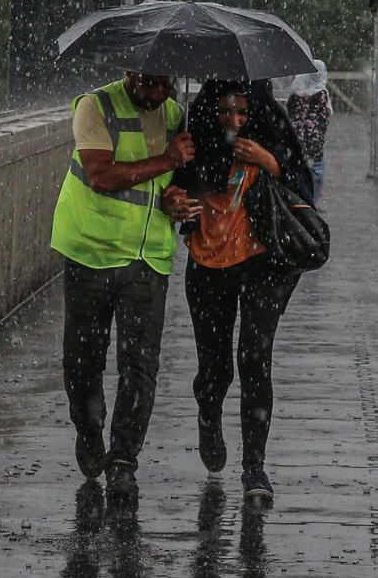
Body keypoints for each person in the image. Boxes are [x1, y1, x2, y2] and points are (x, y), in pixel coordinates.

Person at [50, 71, 201, 501]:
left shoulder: (175, 115)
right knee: (82, 361)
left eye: (165, 85)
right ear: (131, 73)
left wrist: (176, 197)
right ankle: (88, 427)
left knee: (140, 366)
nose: (157, 94)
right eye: (149, 84)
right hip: (90, 251)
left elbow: (175, 185)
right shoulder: (94, 107)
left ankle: (123, 459)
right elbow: (100, 175)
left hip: (147, 257)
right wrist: (168, 161)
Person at [172, 79, 314, 500]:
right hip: (209, 267)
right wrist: (178, 200)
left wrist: (270, 161)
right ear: (210, 112)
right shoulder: (196, 144)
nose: (234, 121)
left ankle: (255, 467)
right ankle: (209, 411)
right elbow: (174, 188)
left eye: (242, 113)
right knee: (216, 366)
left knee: (255, 359)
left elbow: (304, 190)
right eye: (225, 112)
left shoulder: (273, 138)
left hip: (263, 266)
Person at [286, 60, 332, 202]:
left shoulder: (295, 94)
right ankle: (311, 201)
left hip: (295, 138)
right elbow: (324, 118)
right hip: (314, 139)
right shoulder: (321, 94)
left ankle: (298, 198)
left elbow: (290, 113)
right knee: (316, 170)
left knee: (297, 167)